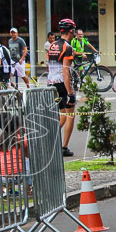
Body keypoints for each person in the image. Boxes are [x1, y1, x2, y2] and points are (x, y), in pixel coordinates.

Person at [48, 19, 77, 156]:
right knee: (70, 115)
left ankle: (49, 137)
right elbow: (65, 71)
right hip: (62, 83)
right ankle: (64, 147)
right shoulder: (67, 47)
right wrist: (70, 92)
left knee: (62, 115)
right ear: (71, 31)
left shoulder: (53, 45)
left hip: (51, 82)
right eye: (74, 31)